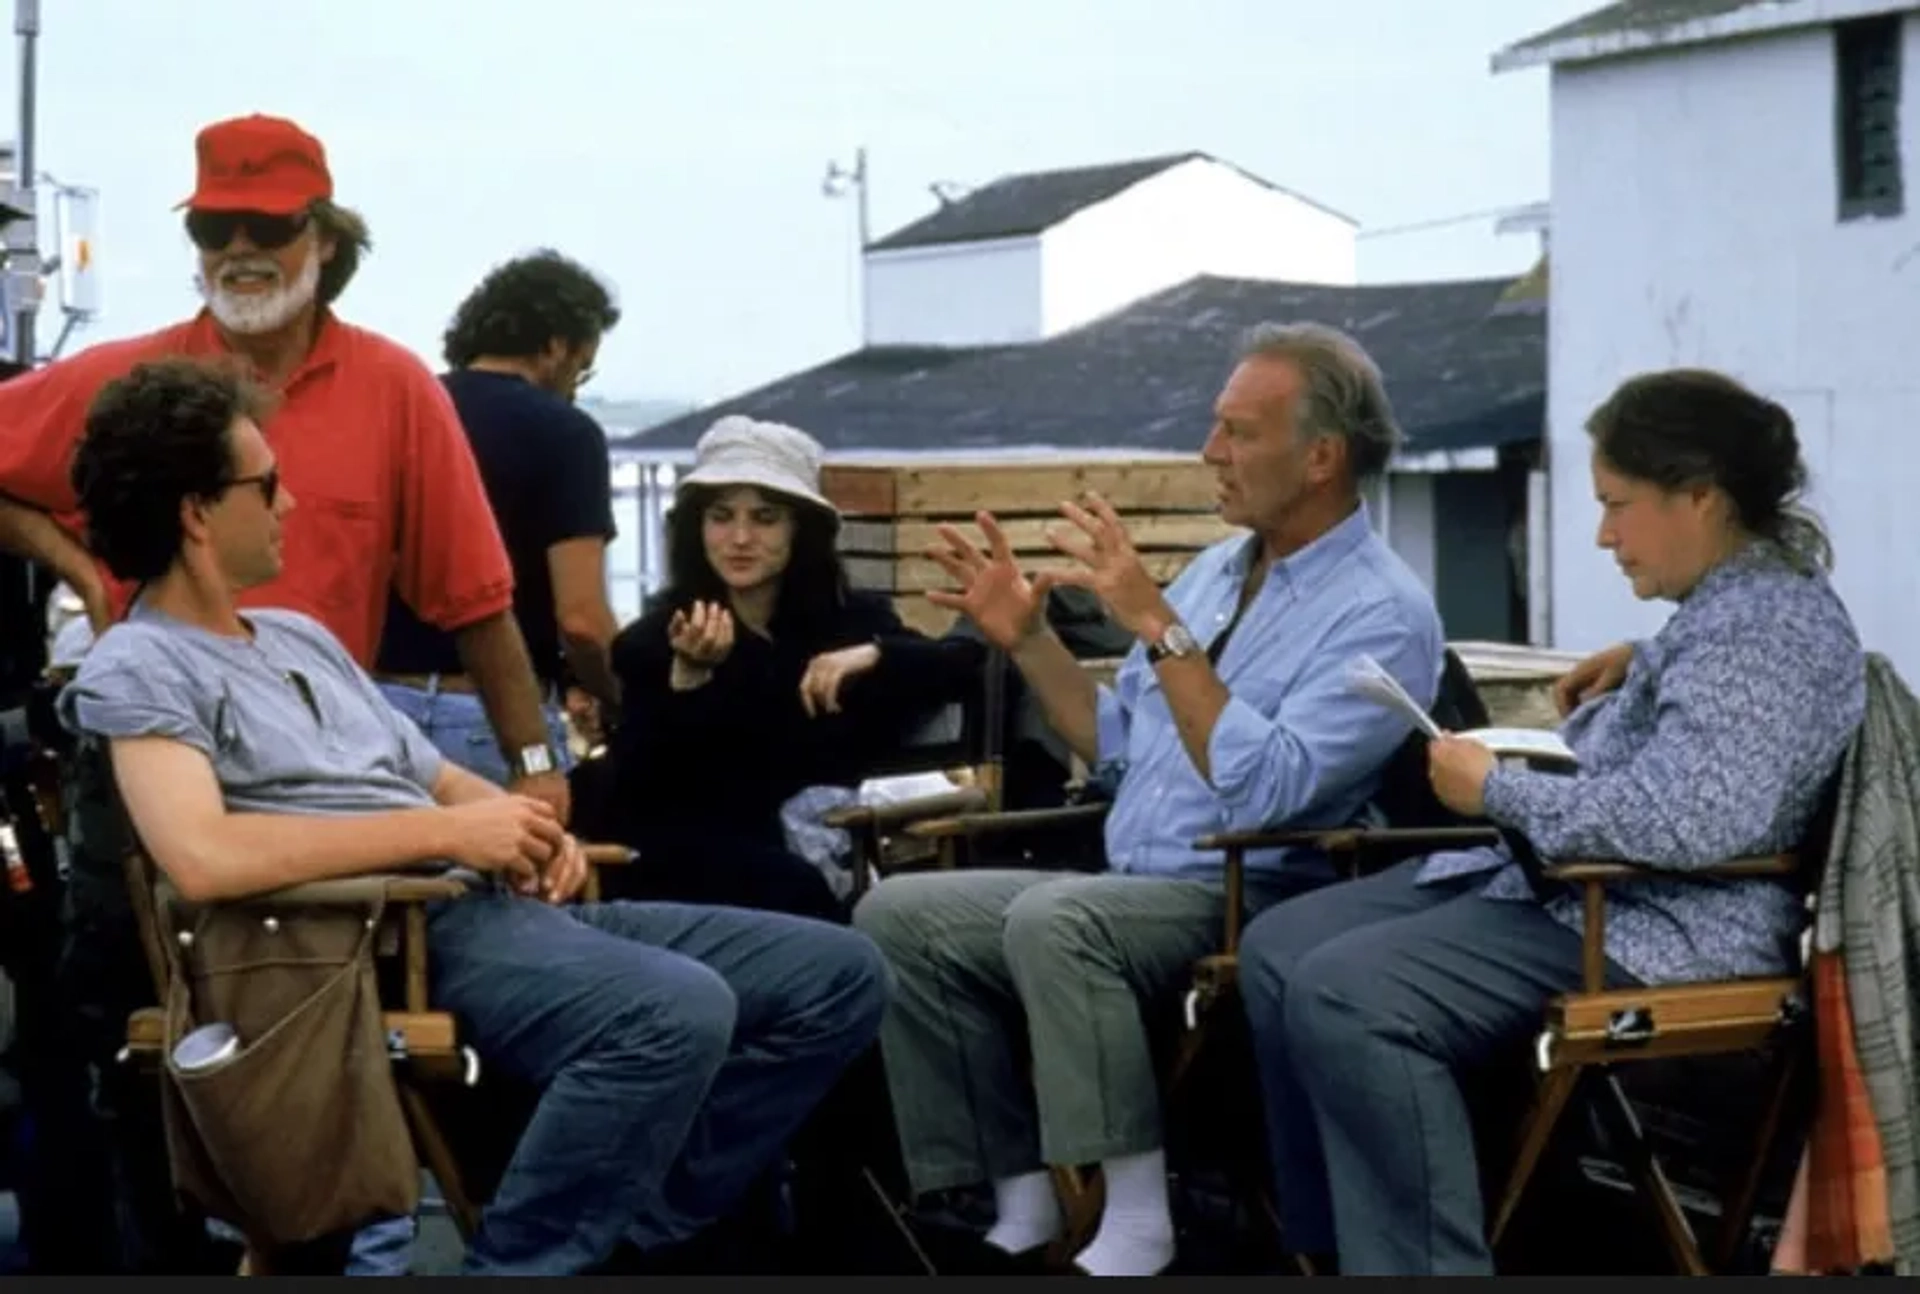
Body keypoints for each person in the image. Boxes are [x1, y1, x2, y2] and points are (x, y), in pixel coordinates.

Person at [56, 356, 891, 1277]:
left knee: (839, 972)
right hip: (367, 944)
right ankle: (527, 1262)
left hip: (486, 910)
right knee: (675, 1009)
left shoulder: (296, 637)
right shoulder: (141, 664)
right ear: (197, 512)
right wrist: (449, 836)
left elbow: (443, 779)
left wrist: (530, 832)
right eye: (268, 485)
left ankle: (619, 1225)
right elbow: (203, 856)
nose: (289, 505)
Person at [0, 112, 566, 1274]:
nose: (240, 246)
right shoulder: (127, 378)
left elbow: (479, 599)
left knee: (320, 1079)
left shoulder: (402, 389)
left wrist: (537, 771)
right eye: (216, 225)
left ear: (323, 237)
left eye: (266, 223)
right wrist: (78, 572)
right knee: (121, 1053)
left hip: (319, 786)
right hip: (151, 761)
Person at [1236, 368, 1867, 1276]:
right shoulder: (1736, 610)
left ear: (1700, 496)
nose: (1604, 534)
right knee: (1283, 943)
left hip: (1666, 927)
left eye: (1619, 505)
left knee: (1347, 990)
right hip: (1592, 894)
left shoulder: (1759, 632)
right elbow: (1722, 741)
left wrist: (1496, 789)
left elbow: (1686, 819)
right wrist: (1649, 662)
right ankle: (1337, 1246)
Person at [851, 322, 1446, 1276]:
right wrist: (1029, 639)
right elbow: (1118, 744)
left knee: (1060, 919)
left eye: (1238, 433)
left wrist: (1160, 626)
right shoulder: (1218, 568)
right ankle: (1022, 1197)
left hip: (1252, 892)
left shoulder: (1384, 610)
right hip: (1127, 878)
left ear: (1323, 456)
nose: (1211, 454)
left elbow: (1270, 788)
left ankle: (1134, 1219)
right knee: (899, 913)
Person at [603, 415, 983, 922]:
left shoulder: (849, 621)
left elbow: (963, 664)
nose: (740, 538)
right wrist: (689, 684)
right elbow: (638, 789)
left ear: (799, 529)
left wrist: (876, 653)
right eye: (721, 516)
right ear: (698, 526)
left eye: (765, 518)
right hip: (699, 867)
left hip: (830, 852)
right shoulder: (657, 639)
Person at [377, 250, 625, 782]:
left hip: (376, 710)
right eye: (583, 368)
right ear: (557, 346)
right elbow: (581, 620)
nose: (576, 386)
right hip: (493, 721)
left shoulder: (403, 410)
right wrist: (619, 696)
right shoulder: (567, 433)